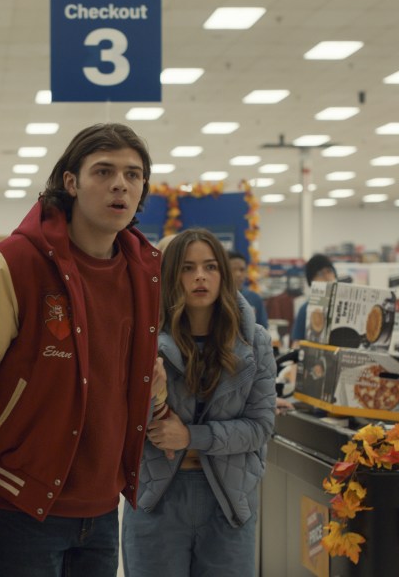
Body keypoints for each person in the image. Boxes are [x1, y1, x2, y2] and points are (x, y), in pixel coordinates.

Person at [0, 123, 166, 577]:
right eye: (104, 171)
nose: (121, 184)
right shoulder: (15, 263)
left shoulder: (143, 271)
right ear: (71, 183)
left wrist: (151, 384)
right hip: (19, 503)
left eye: (133, 175)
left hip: (101, 508)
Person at [122, 228, 276, 577]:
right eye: (187, 268)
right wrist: (147, 395)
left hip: (229, 500)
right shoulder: (141, 339)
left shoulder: (255, 343)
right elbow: (123, 427)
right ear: (171, 276)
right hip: (156, 496)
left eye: (210, 267)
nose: (200, 277)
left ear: (224, 272)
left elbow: (260, 428)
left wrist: (191, 437)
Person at [290, 253, 338, 344]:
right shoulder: (305, 309)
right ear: (311, 281)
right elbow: (296, 344)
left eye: (329, 271)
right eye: (320, 273)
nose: (327, 277)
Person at [228, 249, 268, 330]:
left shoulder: (255, 298)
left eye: (242, 270)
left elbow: (263, 328)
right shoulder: (216, 297)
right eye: (233, 269)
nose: (238, 274)